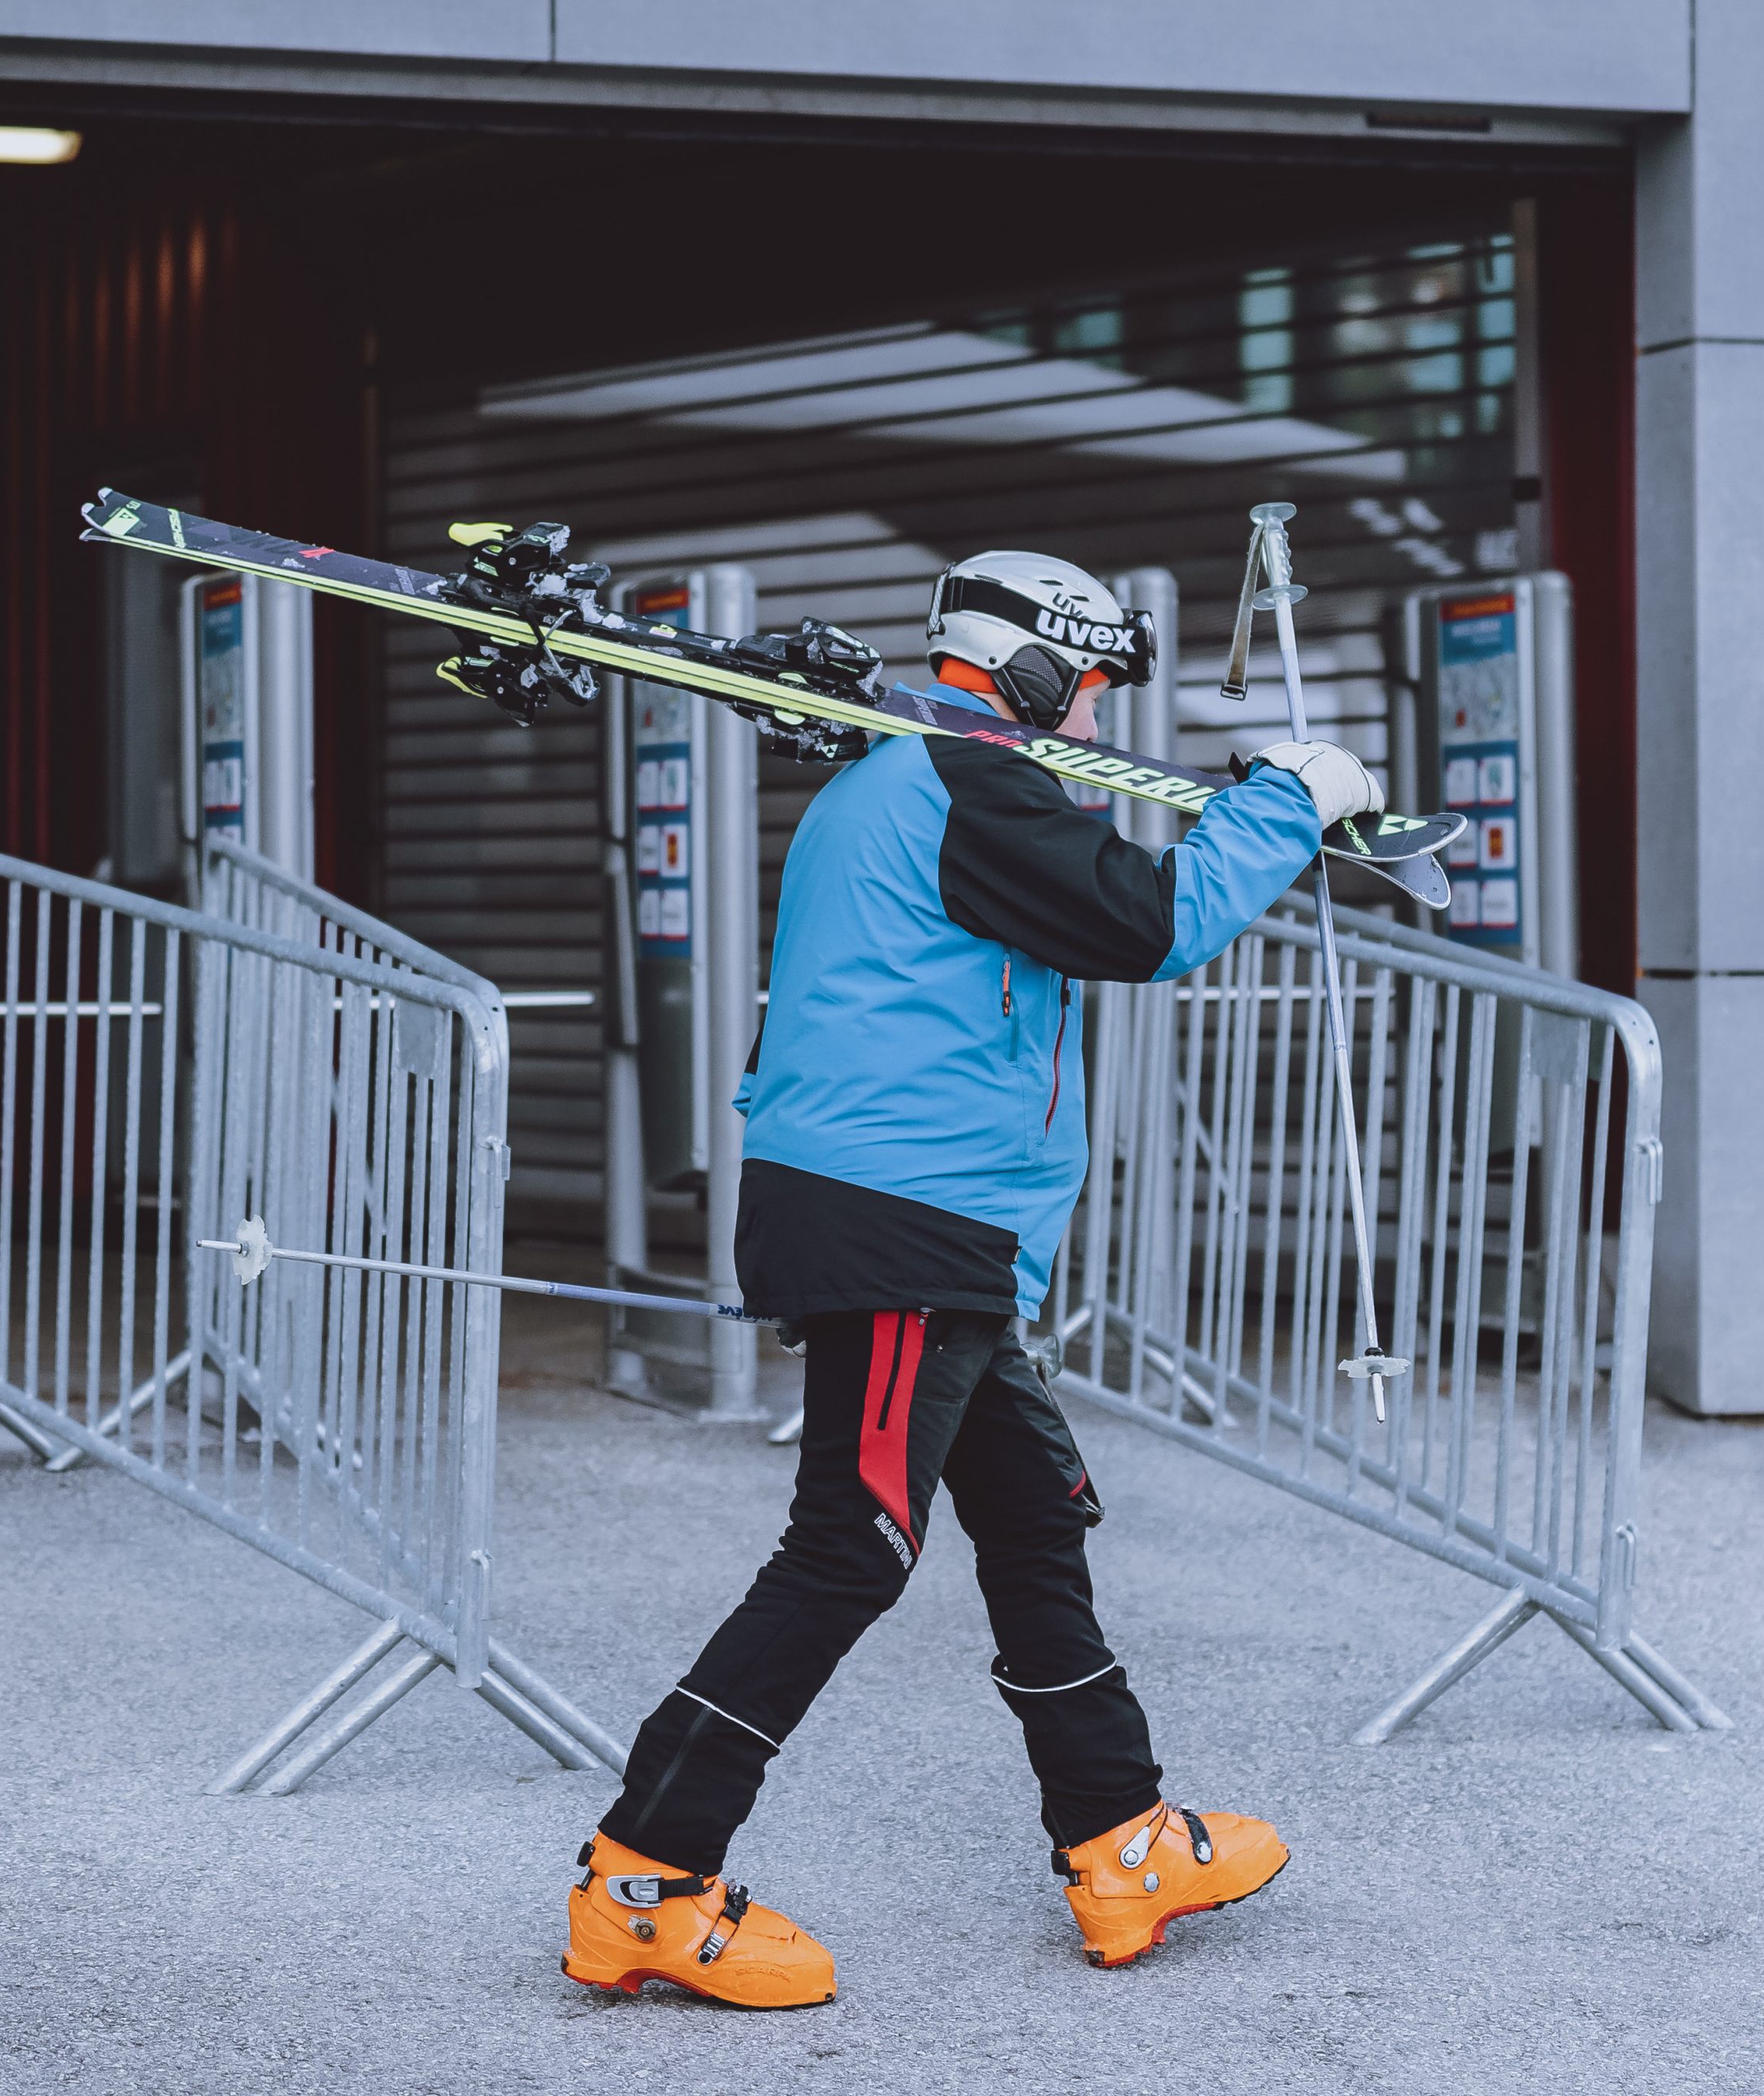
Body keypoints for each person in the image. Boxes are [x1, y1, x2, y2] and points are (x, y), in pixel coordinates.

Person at [563, 551, 1383, 2006]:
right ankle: (647, 1878)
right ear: (1028, 666)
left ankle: (1121, 1838)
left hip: (942, 1223)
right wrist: (1287, 804)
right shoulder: (964, 779)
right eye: (1085, 682)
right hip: (902, 1217)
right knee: (853, 1544)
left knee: (1035, 1520)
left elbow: (1082, 907)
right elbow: (1149, 920)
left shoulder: (918, 776)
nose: (1090, 714)